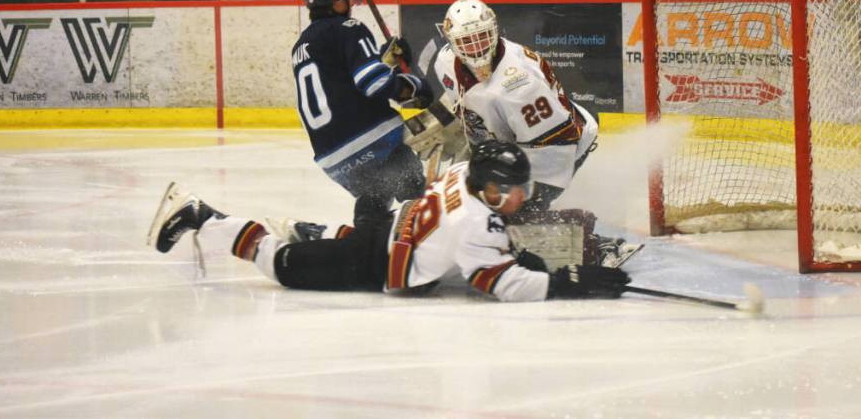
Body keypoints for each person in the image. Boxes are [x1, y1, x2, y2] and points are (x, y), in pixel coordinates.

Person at [147, 140, 631, 302]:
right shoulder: (475, 223)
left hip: (388, 227)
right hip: (373, 262)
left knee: (353, 237)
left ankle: (312, 231)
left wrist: (540, 265)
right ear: (491, 189)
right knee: (283, 266)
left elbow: (496, 251)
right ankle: (201, 216)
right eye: (513, 189)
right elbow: (497, 283)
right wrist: (565, 283)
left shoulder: (466, 173)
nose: (522, 197)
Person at [432, 0, 599, 212]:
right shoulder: (445, 61)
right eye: (466, 41)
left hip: (559, 143)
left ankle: (590, 242)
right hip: (508, 140)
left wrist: (516, 195)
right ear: (452, 42)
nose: (477, 48)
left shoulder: (521, 85)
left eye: (482, 37)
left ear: (494, 31)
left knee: (515, 214)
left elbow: (555, 145)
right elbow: (463, 98)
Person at [292, 0, 433, 213]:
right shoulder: (349, 28)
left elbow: (341, 82)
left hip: (332, 160)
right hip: (376, 143)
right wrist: (413, 87)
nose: (351, 0)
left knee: (374, 204)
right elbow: (373, 83)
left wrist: (384, 62)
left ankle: (368, 244)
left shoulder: (301, 46)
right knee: (419, 201)